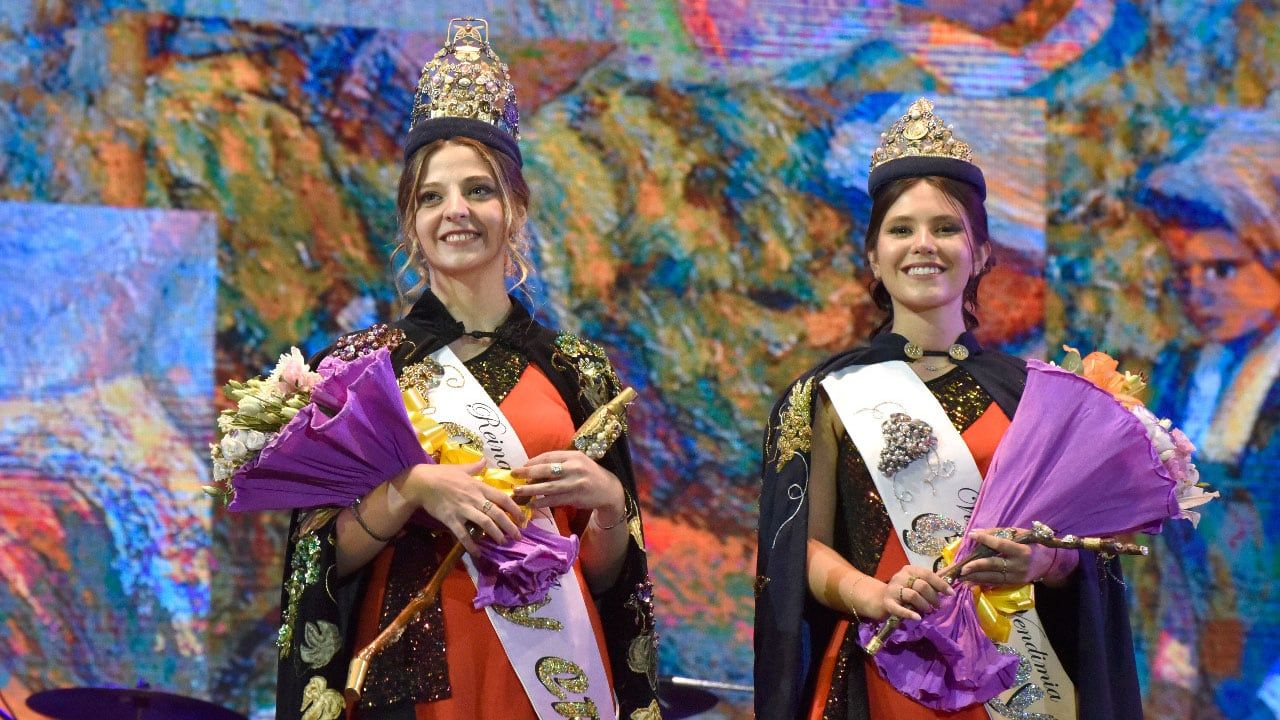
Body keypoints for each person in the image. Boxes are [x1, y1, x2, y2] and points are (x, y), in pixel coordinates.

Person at [272, 19, 661, 720]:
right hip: (415, 677)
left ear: (515, 210)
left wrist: (606, 503)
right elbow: (321, 564)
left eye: (478, 191)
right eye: (431, 197)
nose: (456, 211)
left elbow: (611, 579)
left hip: (554, 674)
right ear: (410, 223)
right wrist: (413, 488)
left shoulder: (580, 371)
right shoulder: (359, 368)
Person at [755, 98, 1142, 719]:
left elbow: (1088, 556)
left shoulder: (1037, 396)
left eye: (946, 227)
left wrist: (1042, 560)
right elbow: (800, 546)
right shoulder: (826, 395)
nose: (923, 245)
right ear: (874, 257)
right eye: (901, 229)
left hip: (1018, 675)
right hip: (882, 670)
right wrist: (875, 593)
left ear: (982, 252)